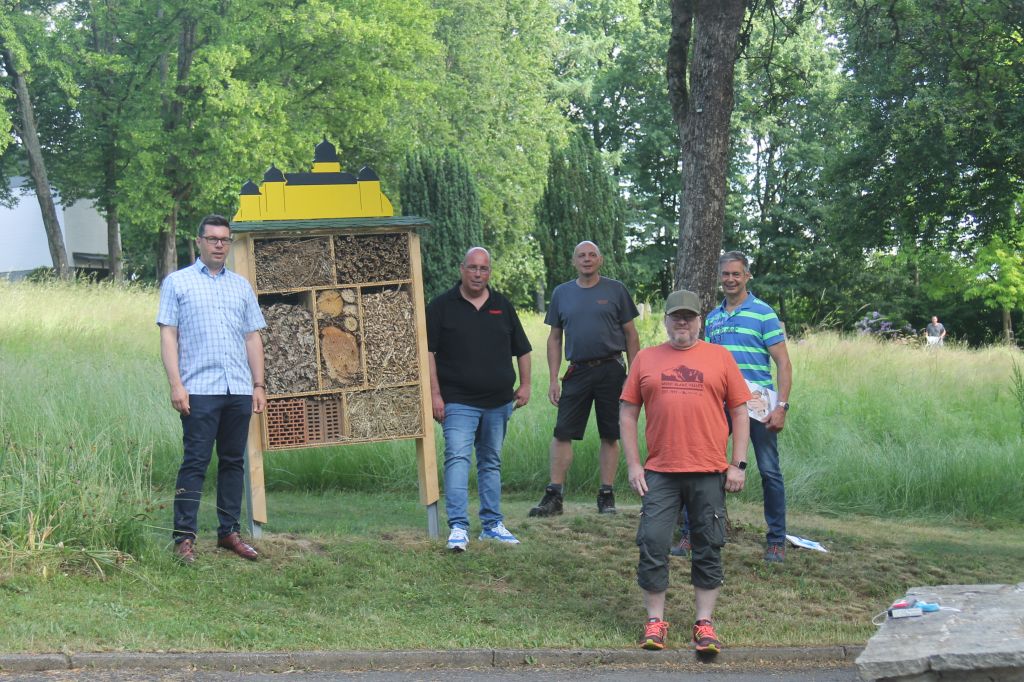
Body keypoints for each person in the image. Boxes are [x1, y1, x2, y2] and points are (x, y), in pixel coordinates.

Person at [620, 289, 751, 654]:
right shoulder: (646, 359)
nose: (682, 322)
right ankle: (655, 623)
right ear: (665, 320)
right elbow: (628, 413)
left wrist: (737, 464)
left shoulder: (719, 358)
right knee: (653, 541)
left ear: (699, 321)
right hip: (659, 471)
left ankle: (704, 624)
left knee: (708, 544)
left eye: (689, 317)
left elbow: (740, 411)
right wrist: (633, 464)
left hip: (709, 470)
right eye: (676, 316)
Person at [157, 214, 267, 565]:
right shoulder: (178, 283)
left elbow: (252, 337)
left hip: (237, 388)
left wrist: (258, 384)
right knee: (195, 462)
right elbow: (168, 334)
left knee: (234, 462)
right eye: (213, 239)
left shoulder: (241, 286)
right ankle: (184, 538)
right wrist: (177, 384)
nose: (220, 245)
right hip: (199, 389)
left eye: (225, 239)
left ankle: (228, 532)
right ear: (200, 241)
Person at [427, 247, 532, 552]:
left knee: (490, 462)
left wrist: (525, 385)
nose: (477, 273)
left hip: (499, 402)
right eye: (472, 267)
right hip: (458, 401)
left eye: (483, 269)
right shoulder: (442, 306)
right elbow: (429, 353)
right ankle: (458, 527)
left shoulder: (503, 305)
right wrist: (435, 394)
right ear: (461, 269)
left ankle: (492, 525)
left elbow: (522, 350)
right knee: (458, 459)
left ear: (489, 273)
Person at [693, 250, 792, 563]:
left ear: (747, 276)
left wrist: (782, 406)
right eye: (725, 274)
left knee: (769, 471)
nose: (730, 280)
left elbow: (783, 363)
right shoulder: (712, 318)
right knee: (704, 469)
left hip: (758, 404)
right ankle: (694, 532)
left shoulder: (764, 313)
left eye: (736, 274)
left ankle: (776, 539)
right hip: (718, 404)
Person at [529, 241, 640, 517]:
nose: (587, 259)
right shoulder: (561, 293)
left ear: (600, 260)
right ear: (573, 261)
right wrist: (554, 378)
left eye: (592, 255)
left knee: (610, 433)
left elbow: (631, 335)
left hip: (611, 369)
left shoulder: (616, 290)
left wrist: (633, 377)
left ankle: (606, 495)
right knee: (562, 432)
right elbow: (554, 338)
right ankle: (554, 495)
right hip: (576, 371)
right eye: (581, 255)